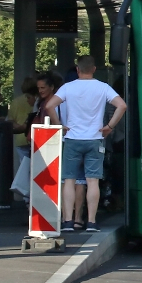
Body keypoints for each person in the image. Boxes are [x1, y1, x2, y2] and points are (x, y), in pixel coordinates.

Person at [44, 56, 127, 233]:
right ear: (94, 69)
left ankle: (67, 221)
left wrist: (59, 124)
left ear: (77, 70)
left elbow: (50, 106)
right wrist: (109, 127)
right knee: (92, 181)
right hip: (95, 138)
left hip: (72, 139)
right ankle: (90, 222)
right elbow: (121, 106)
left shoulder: (68, 87)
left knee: (69, 180)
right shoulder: (103, 87)